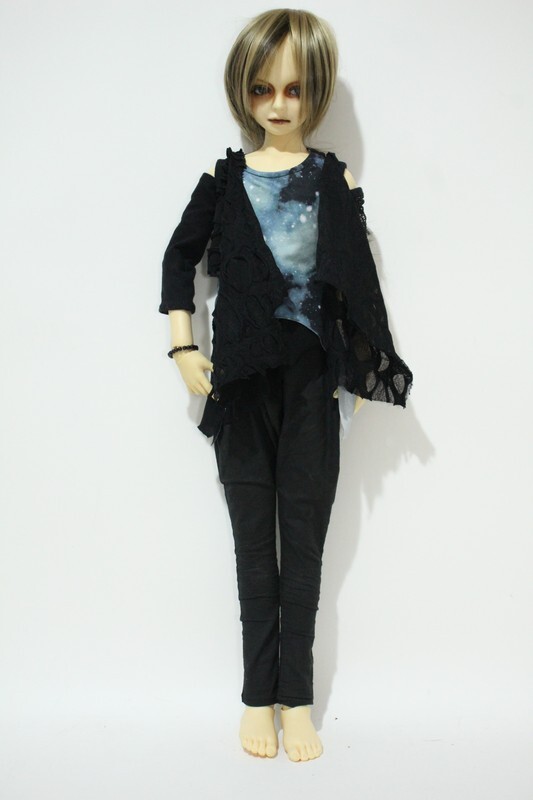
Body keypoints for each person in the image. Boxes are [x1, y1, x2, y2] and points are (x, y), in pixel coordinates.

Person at [158, 8, 413, 762]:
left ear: (314, 93)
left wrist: (356, 363)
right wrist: (183, 346)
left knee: (303, 541)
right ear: (244, 91)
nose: (277, 104)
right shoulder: (223, 180)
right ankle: (254, 695)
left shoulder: (333, 178)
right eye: (263, 88)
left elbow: (355, 280)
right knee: (252, 546)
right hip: (239, 380)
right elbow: (178, 261)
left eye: (294, 89)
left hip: (312, 385)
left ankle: (294, 698)